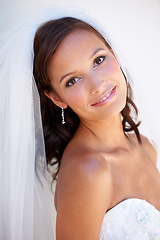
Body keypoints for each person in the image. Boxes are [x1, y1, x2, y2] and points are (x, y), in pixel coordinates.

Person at [0, 11, 160, 240]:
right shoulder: (88, 170)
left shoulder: (146, 147)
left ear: (115, 55)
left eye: (98, 60)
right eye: (72, 80)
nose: (97, 85)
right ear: (57, 98)